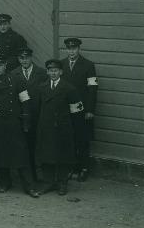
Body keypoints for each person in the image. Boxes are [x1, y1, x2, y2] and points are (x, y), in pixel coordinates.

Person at [0, 53, 40, 198]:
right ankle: (4, 183)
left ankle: (29, 186)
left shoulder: (16, 80)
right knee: (0, 155)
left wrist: (26, 122)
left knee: (21, 156)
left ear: (5, 65)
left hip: (14, 123)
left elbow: (25, 102)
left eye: (0, 65)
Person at [35, 59, 81, 196]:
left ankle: (62, 183)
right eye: (50, 70)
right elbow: (38, 109)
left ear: (61, 72)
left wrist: (72, 129)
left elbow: (77, 113)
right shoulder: (41, 88)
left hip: (63, 129)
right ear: (47, 72)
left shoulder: (69, 88)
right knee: (47, 155)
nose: (53, 73)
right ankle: (48, 182)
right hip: (46, 128)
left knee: (63, 157)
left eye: (56, 70)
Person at [60, 37, 98, 182]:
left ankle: (84, 168)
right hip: (65, 109)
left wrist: (90, 110)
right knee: (69, 138)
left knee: (82, 139)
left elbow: (92, 89)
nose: (71, 51)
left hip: (82, 110)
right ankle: (72, 167)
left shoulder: (88, 65)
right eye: (69, 48)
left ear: (79, 49)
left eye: (74, 48)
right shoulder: (61, 64)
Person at [10, 47, 48, 183]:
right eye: (21, 58)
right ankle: (21, 174)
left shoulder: (42, 73)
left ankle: (36, 172)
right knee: (21, 144)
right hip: (20, 116)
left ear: (31, 58)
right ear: (18, 59)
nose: (24, 60)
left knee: (35, 144)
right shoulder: (13, 74)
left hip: (37, 114)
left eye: (26, 58)